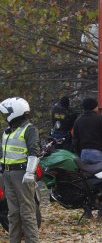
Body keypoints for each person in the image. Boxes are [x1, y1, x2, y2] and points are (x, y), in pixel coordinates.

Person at [0, 97, 40, 243]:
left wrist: (30, 172)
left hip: (22, 174)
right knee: (13, 213)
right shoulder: (7, 131)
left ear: (14, 112)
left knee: (27, 213)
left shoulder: (29, 129)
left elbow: (34, 151)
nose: (5, 116)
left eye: (6, 113)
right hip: (8, 174)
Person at [71, 97, 102, 219]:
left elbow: (75, 139)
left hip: (84, 154)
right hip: (98, 153)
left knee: (87, 183)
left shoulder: (78, 120)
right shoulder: (99, 118)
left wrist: (78, 154)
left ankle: (87, 211)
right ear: (94, 107)